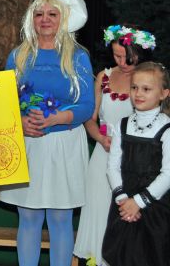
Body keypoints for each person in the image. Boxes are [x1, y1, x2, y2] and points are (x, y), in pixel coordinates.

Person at [0, 0, 94, 266]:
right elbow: (3, 102)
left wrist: (57, 118)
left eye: (52, 14)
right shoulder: (18, 56)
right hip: (28, 144)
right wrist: (20, 122)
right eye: (39, 14)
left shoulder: (78, 57)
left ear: (63, 18)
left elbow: (86, 106)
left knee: (61, 217)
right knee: (28, 216)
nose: (45, 20)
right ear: (32, 19)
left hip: (64, 145)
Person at [73, 25, 155, 265]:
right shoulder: (104, 76)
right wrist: (101, 139)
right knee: (98, 210)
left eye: (128, 57)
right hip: (103, 156)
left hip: (134, 160)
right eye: (117, 56)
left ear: (140, 52)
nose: (122, 62)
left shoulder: (149, 79)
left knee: (127, 214)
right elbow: (90, 118)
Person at [102, 61, 170, 266]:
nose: (138, 93)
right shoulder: (122, 124)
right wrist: (123, 199)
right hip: (124, 204)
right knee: (122, 256)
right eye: (134, 87)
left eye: (146, 89)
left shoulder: (166, 129)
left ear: (164, 93)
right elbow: (112, 166)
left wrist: (139, 202)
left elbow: (168, 174)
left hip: (155, 205)